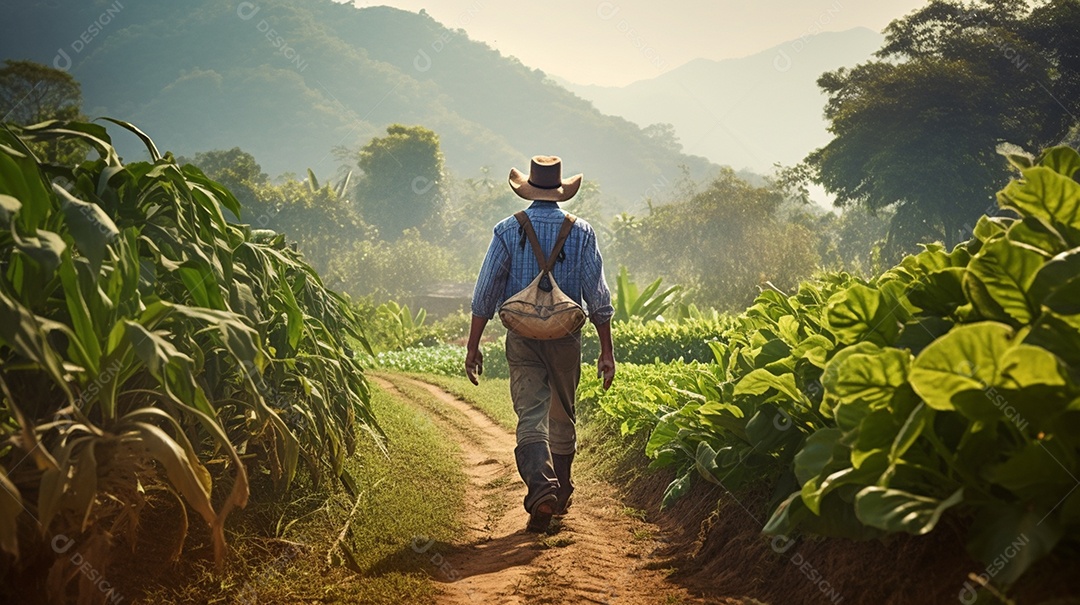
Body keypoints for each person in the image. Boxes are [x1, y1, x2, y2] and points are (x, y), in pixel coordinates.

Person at [466, 155, 616, 533]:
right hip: (566, 337)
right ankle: (560, 492)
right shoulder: (581, 232)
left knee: (530, 413)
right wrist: (606, 351)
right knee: (562, 413)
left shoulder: (506, 230)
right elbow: (597, 297)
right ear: (561, 191)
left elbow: (486, 293)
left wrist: (473, 345)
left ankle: (542, 491)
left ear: (528, 188)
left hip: (522, 337)